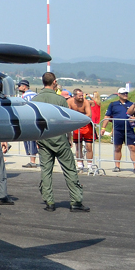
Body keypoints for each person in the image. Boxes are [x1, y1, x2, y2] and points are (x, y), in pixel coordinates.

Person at [34, 72, 88, 212]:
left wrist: (36, 138)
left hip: (43, 137)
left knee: (46, 171)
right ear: (54, 82)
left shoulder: (35, 99)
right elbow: (66, 121)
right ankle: (76, 200)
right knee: (69, 169)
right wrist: (69, 138)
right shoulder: (60, 100)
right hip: (59, 138)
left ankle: (49, 201)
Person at [103, 87, 135, 172]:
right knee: (117, 147)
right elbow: (107, 116)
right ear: (119, 94)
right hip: (117, 129)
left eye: (126, 93)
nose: (125, 95)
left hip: (129, 129)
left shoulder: (132, 104)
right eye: (123, 93)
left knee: (132, 148)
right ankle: (117, 166)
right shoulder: (113, 104)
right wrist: (103, 128)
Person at [67, 89, 95, 170]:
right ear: (74, 96)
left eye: (82, 95)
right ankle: (80, 164)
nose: (81, 97)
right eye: (79, 96)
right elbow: (68, 113)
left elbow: (89, 114)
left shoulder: (85, 102)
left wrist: (78, 119)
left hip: (86, 125)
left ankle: (90, 164)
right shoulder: (70, 101)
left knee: (88, 146)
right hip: (76, 126)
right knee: (78, 146)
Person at [17, 79, 39, 167]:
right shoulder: (35, 94)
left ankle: (32, 161)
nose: (18, 87)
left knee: (30, 140)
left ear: (24, 86)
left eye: (20, 86)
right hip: (37, 119)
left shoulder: (25, 96)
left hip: (29, 120)